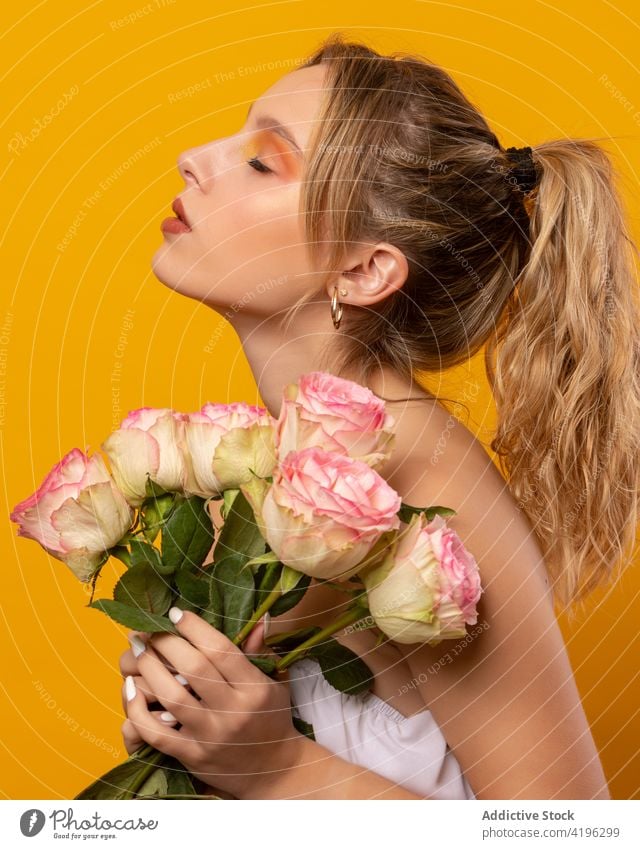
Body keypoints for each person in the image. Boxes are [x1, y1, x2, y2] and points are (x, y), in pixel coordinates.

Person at [117, 33, 640, 800]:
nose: (194, 156)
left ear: (363, 269)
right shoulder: (296, 461)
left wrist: (278, 767)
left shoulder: (428, 498)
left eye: (263, 160)